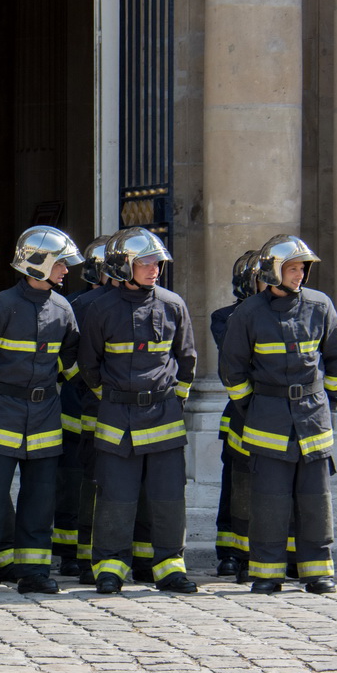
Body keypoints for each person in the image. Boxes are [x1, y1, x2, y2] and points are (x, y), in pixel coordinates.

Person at [0, 226, 81, 595]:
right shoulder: (2, 304)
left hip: (46, 415)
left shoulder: (63, 308)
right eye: (60, 263)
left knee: (41, 496)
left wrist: (51, 381)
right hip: (4, 412)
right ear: (39, 264)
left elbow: (70, 362)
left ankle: (33, 571)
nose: (65, 271)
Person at [219, 235, 337, 594]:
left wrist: (328, 400)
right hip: (267, 420)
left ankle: (317, 571)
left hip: (312, 418)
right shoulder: (248, 312)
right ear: (274, 271)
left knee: (314, 499)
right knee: (268, 501)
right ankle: (266, 572)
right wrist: (254, 407)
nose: (300, 275)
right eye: (293, 268)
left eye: (302, 268)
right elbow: (232, 369)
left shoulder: (320, 305)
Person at [78, 227, 197, 594]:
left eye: (157, 261)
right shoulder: (99, 309)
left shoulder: (173, 304)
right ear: (122, 266)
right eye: (145, 262)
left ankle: (170, 568)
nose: (154, 268)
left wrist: (173, 398)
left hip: (163, 418)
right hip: (117, 419)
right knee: (116, 495)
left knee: (167, 498)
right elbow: (89, 365)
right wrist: (112, 397)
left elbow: (187, 359)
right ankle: (110, 568)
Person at [55, 235, 111, 582]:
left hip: (101, 407)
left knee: (90, 483)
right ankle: (70, 553)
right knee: (72, 482)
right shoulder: (73, 304)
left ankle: (80, 554)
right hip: (78, 407)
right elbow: (67, 356)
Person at [209, 250, 259, 578]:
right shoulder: (225, 317)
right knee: (235, 484)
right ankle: (229, 550)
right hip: (242, 412)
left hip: (277, 410)